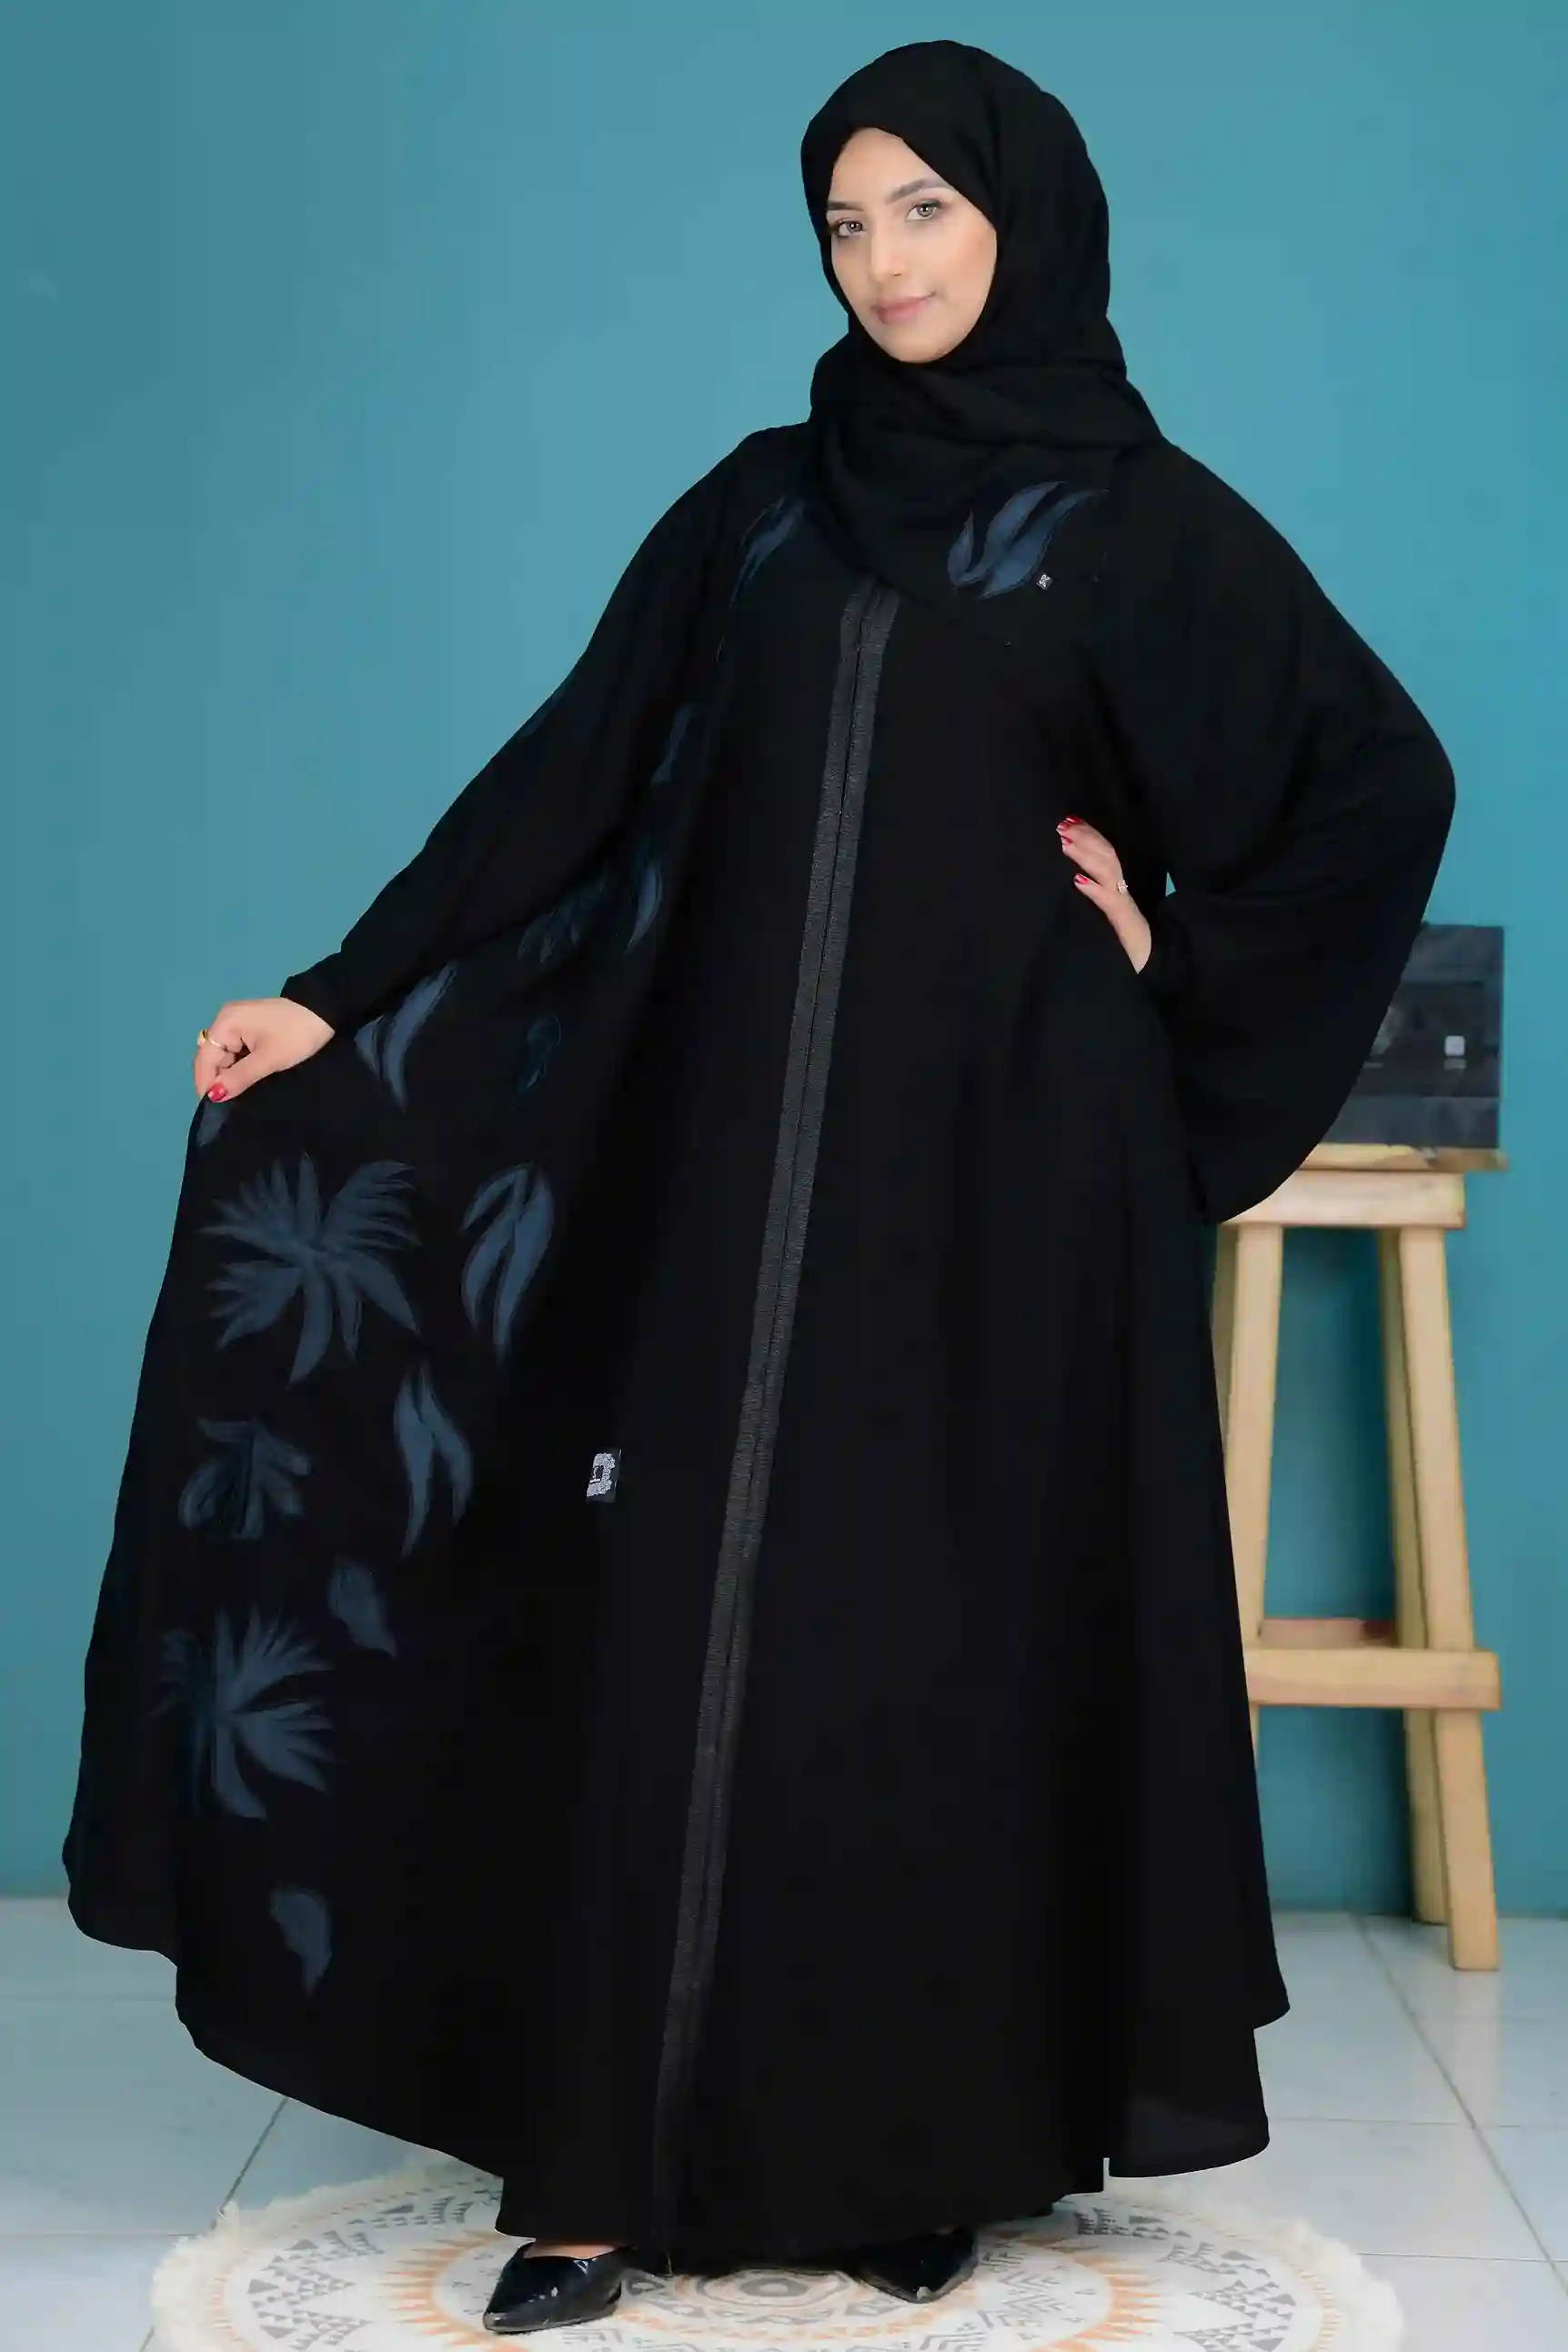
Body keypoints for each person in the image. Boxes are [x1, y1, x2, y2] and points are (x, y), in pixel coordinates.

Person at [63, 37, 1455, 2340]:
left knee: (932, 1642)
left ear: (1023, 219)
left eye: (925, 210)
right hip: (721, 1162)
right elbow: (567, 780)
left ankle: (925, 2150)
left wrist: (1168, 953)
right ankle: (592, 2179)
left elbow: (1372, 784)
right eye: (843, 221)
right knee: (666, 1620)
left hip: (1003, 1176)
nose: (883, 261)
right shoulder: (759, 511)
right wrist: (335, 999)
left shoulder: (1141, 523)